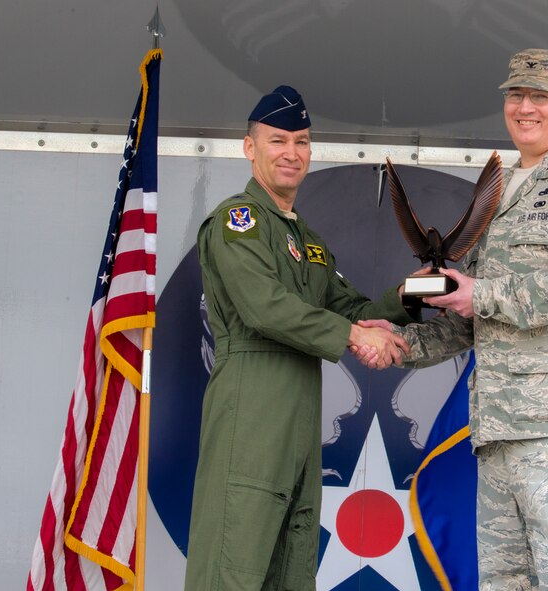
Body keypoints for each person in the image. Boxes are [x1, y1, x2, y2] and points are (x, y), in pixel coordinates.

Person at [357, 49, 548, 590]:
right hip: (500, 432)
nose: (525, 107)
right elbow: (474, 318)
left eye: (541, 96)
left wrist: (481, 292)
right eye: (516, 95)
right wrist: (400, 342)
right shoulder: (499, 190)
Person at [185, 85, 415, 591]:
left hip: (300, 414)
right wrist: (353, 334)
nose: (292, 153)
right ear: (250, 148)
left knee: (291, 569)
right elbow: (264, 307)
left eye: (302, 141)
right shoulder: (238, 222)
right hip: (252, 407)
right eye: (278, 140)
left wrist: (410, 295)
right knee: (232, 567)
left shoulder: (306, 240)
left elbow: (350, 310)